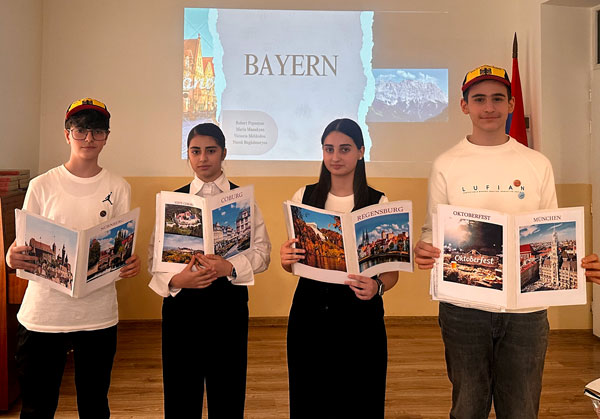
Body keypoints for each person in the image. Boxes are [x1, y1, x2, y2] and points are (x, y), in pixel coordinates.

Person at [413, 64, 563, 418]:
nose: (489, 107)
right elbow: (432, 228)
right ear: (464, 106)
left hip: (525, 310)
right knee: (467, 406)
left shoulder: (537, 163)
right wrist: (425, 247)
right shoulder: (446, 163)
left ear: (511, 104)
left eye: (497, 98)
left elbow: (552, 225)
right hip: (463, 306)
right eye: (479, 99)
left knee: (521, 408)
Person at [6, 97, 141, 418]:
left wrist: (129, 263)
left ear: (107, 137)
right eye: (81, 130)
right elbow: (21, 247)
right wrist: (12, 257)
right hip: (43, 316)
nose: (89, 138)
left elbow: (122, 247)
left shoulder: (118, 187)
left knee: (94, 405)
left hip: (98, 315)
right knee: (37, 408)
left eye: (97, 131)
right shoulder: (41, 185)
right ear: (67, 134)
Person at [148, 123, 271, 418]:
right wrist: (178, 279)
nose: (203, 158)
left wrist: (230, 266)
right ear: (188, 155)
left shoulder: (243, 200)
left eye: (211, 151)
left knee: (228, 392)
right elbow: (154, 258)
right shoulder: (173, 200)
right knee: (180, 394)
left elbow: (263, 253)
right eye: (195, 151)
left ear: (223, 153)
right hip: (181, 309)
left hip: (228, 307)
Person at [280, 118, 399, 419]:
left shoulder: (378, 201)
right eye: (328, 149)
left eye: (345, 149)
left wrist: (378, 287)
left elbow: (391, 272)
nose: (335, 157)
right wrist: (286, 259)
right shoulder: (304, 196)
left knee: (360, 397)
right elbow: (294, 264)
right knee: (309, 396)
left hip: (359, 314)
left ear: (360, 151)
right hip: (310, 310)